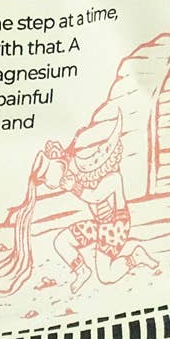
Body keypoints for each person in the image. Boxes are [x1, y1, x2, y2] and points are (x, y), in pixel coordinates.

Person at [32, 110, 161, 294]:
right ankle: (82, 271)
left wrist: (74, 187)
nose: (46, 181)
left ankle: (136, 257)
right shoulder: (76, 172)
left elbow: (96, 196)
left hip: (116, 226)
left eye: (45, 176)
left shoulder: (113, 178)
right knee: (61, 241)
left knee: (106, 276)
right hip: (99, 225)